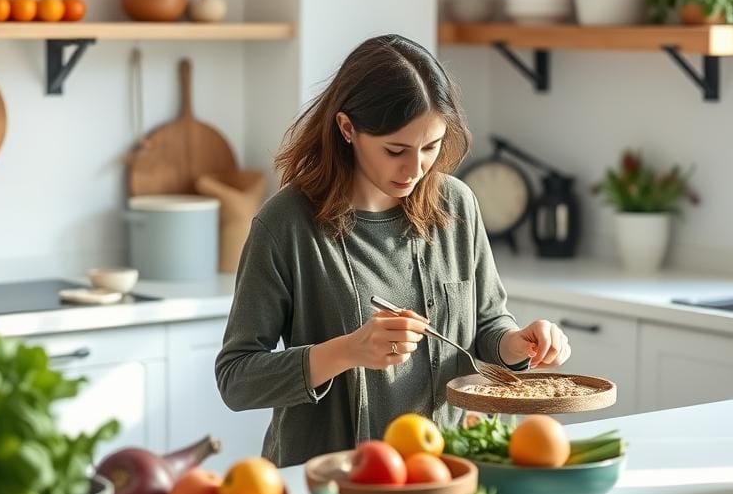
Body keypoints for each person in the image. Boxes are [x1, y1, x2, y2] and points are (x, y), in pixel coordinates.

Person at [216, 34, 571, 467]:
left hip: (441, 472)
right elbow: (235, 378)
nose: (416, 168)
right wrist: (346, 350)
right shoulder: (286, 224)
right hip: (329, 481)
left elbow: (486, 325)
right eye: (395, 150)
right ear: (347, 129)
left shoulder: (456, 205)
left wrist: (517, 344)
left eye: (431, 147)